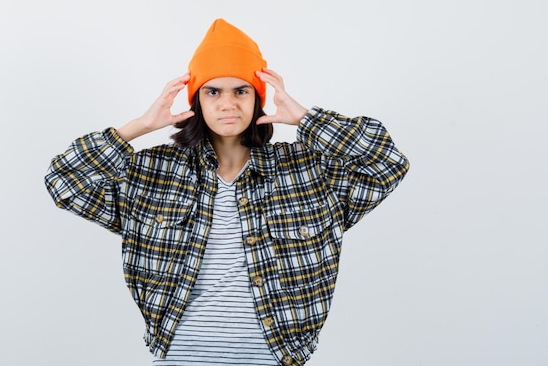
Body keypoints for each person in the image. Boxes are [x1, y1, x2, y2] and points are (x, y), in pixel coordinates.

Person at [45, 18, 410, 366]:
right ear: (197, 100)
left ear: (258, 97)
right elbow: (63, 181)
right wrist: (139, 126)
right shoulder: (152, 173)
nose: (228, 104)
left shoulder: (308, 171)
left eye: (241, 90)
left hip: (275, 358)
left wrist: (305, 118)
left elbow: (387, 161)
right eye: (213, 91)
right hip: (180, 357)